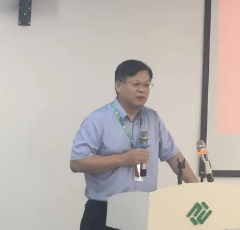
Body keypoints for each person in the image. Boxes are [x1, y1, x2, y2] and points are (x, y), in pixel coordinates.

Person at [70, 59, 198, 230]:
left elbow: (174, 156)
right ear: (118, 86)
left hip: (144, 210)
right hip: (105, 212)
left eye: (147, 85)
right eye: (136, 84)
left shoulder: (152, 119)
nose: (142, 90)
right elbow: (77, 163)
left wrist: (200, 191)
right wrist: (123, 159)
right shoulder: (98, 120)